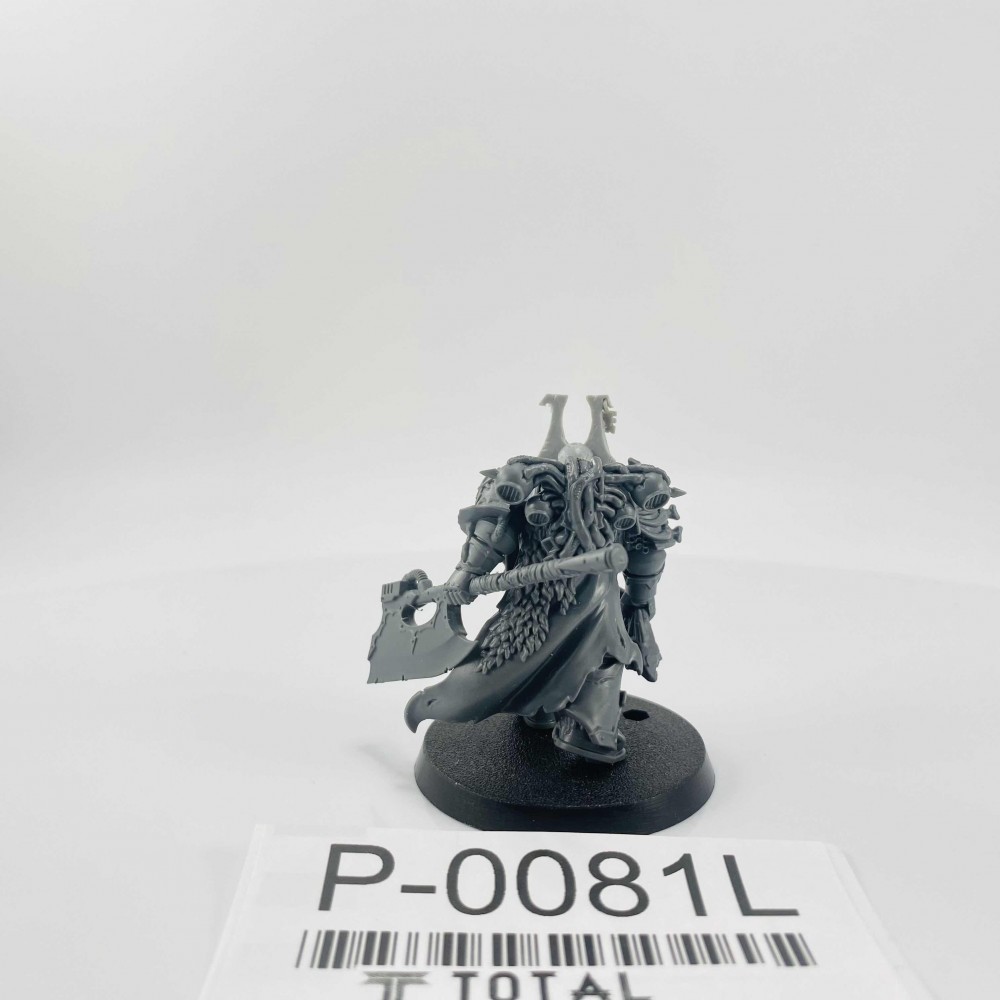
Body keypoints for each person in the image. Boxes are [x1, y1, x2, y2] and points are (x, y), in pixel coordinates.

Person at [403, 395, 684, 764]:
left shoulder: (624, 491)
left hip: (597, 600)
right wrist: (466, 574)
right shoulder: (528, 484)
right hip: (533, 599)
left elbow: (647, 546)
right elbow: (494, 530)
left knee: (601, 658)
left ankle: (589, 730)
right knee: (515, 658)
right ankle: (536, 710)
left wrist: (640, 600)